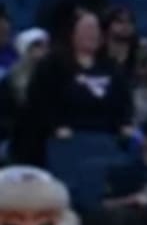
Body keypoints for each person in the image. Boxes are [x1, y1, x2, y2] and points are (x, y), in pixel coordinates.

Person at [14, 9, 130, 167]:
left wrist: (124, 124)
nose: (92, 34)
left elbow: (124, 102)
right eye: (87, 29)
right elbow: (40, 101)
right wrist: (55, 126)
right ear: (72, 33)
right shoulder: (52, 65)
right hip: (64, 137)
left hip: (105, 136)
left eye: (95, 30)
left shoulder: (111, 67)